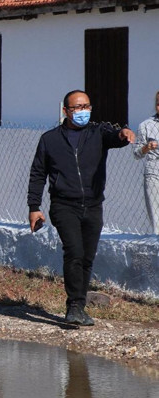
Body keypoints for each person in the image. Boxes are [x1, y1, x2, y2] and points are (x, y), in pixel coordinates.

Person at [28, 90, 134, 326]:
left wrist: (123, 134)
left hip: (94, 205)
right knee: (74, 252)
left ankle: (79, 306)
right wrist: (34, 206)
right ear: (65, 111)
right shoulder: (50, 140)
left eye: (86, 106)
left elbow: (115, 137)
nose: (82, 111)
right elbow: (37, 174)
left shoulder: (98, 133)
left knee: (87, 257)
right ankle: (74, 306)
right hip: (64, 205)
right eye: (77, 108)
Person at [133, 91, 159, 234]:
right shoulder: (146, 125)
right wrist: (146, 148)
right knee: (157, 219)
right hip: (154, 172)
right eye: (158, 104)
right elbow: (136, 154)